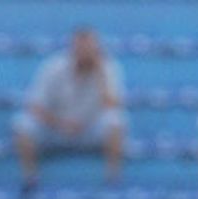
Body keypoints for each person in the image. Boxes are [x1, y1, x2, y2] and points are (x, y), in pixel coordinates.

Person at [13, 27, 126, 188]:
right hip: (56, 128)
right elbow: (34, 106)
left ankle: (113, 177)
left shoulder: (108, 68)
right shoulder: (53, 67)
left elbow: (112, 105)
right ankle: (30, 178)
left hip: (90, 128)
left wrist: (101, 74)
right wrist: (60, 123)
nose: (85, 52)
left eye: (89, 48)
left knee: (116, 121)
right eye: (81, 47)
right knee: (22, 123)